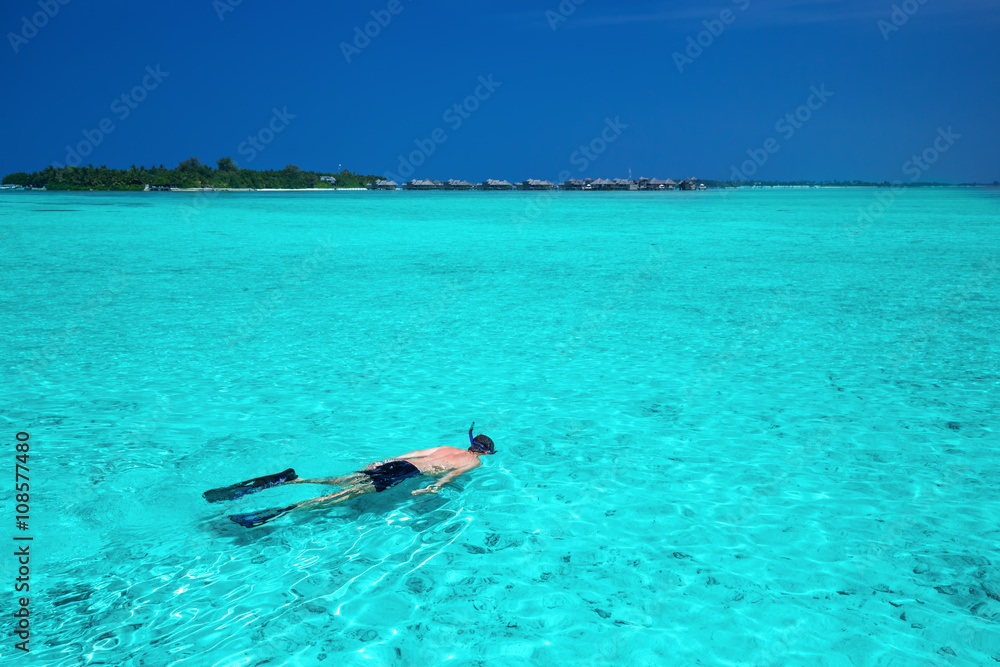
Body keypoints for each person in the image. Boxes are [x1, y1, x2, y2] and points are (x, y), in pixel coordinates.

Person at [203, 424, 496, 528]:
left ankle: (294, 480)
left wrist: (382, 461)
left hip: (396, 465)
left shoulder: (446, 446)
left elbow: (414, 453)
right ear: (484, 453)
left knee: (342, 480)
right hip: (407, 474)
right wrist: (431, 489)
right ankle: (287, 509)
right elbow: (449, 477)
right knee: (340, 497)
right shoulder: (474, 463)